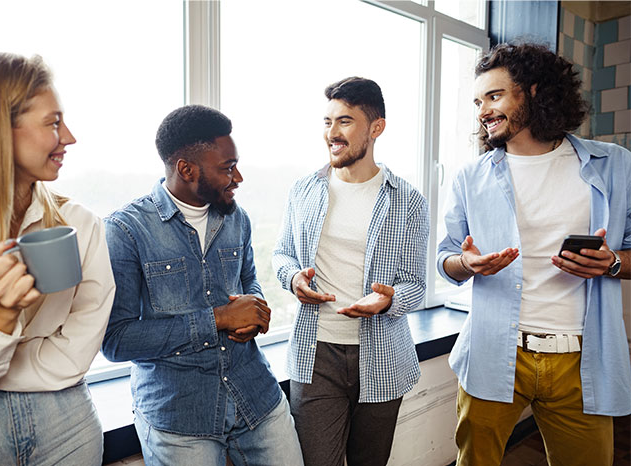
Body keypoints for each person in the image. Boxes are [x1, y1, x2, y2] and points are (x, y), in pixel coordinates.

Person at [437, 42, 631, 466]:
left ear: (535, 92)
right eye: (477, 101)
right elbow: (446, 259)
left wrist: (613, 262)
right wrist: (467, 264)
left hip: (582, 359)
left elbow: (630, 251)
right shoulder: (470, 177)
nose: (482, 110)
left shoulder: (614, 165)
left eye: (494, 96)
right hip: (492, 351)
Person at [0, 51, 116, 464]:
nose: (68, 137)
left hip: (66, 423)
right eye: (53, 122)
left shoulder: (80, 225)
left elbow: (77, 353)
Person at [101, 104, 303, 466]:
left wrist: (254, 309)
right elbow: (117, 340)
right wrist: (219, 319)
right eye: (227, 167)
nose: (238, 177)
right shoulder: (126, 230)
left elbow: (248, 280)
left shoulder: (236, 217)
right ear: (186, 169)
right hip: (180, 416)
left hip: (256, 398)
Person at [272, 77, 430, 466]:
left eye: (344, 122)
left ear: (376, 128)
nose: (331, 133)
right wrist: (293, 279)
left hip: (382, 356)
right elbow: (282, 255)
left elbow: (416, 285)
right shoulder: (303, 190)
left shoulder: (407, 201)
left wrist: (389, 298)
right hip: (315, 354)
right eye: (327, 122)